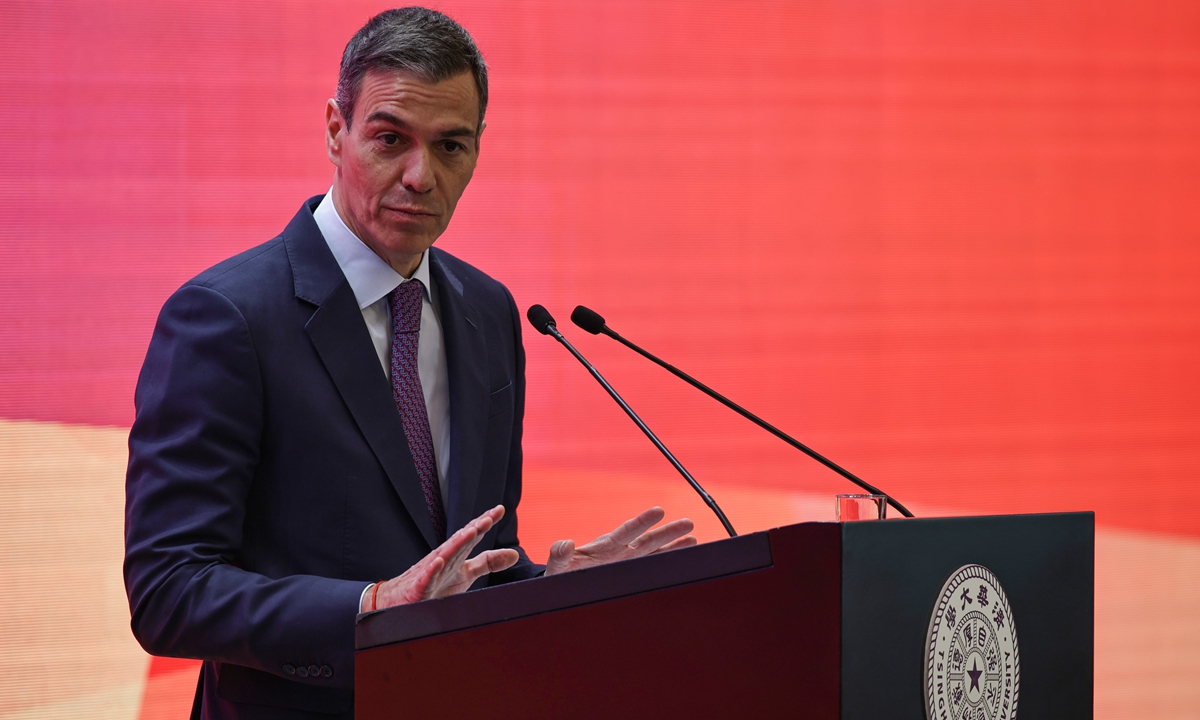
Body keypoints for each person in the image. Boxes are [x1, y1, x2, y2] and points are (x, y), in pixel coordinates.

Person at [123, 8, 695, 719]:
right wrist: (368, 608)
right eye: (390, 139)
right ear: (337, 130)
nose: (421, 176)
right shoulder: (226, 317)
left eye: (451, 146)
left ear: (479, 149)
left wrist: (553, 587)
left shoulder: (488, 312)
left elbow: (471, 563)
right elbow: (169, 591)